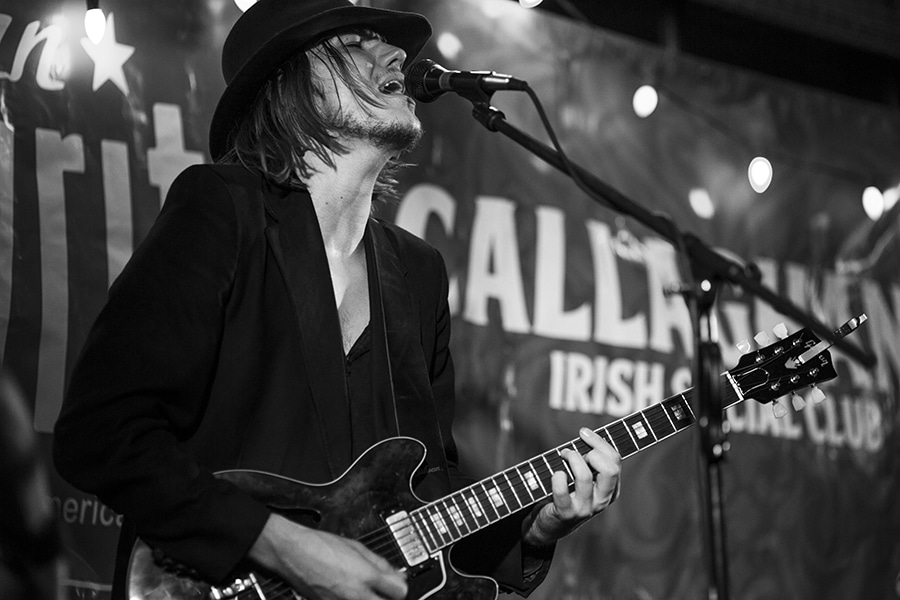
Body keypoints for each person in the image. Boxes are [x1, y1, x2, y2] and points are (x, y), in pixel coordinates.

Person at [52, 1, 621, 599]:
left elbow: (425, 497)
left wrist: (534, 528)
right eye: (355, 45)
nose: (396, 54)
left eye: (386, 43)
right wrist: (285, 545)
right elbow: (101, 431)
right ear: (289, 87)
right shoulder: (223, 208)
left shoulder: (418, 272)